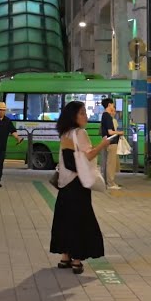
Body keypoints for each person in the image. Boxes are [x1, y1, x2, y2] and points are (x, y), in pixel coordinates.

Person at [50, 101, 109, 275]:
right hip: (78, 183)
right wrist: (103, 144)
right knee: (80, 220)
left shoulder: (65, 133)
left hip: (65, 183)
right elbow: (87, 156)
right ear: (73, 116)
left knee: (64, 219)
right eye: (82, 113)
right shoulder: (80, 133)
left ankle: (65, 257)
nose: (86, 116)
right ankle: (77, 260)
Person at [98, 98, 124, 190]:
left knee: (107, 163)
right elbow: (110, 132)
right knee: (111, 164)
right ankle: (111, 183)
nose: (113, 107)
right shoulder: (108, 116)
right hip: (111, 142)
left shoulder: (103, 115)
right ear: (109, 105)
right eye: (112, 105)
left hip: (106, 142)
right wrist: (119, 133)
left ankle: (107, 182)